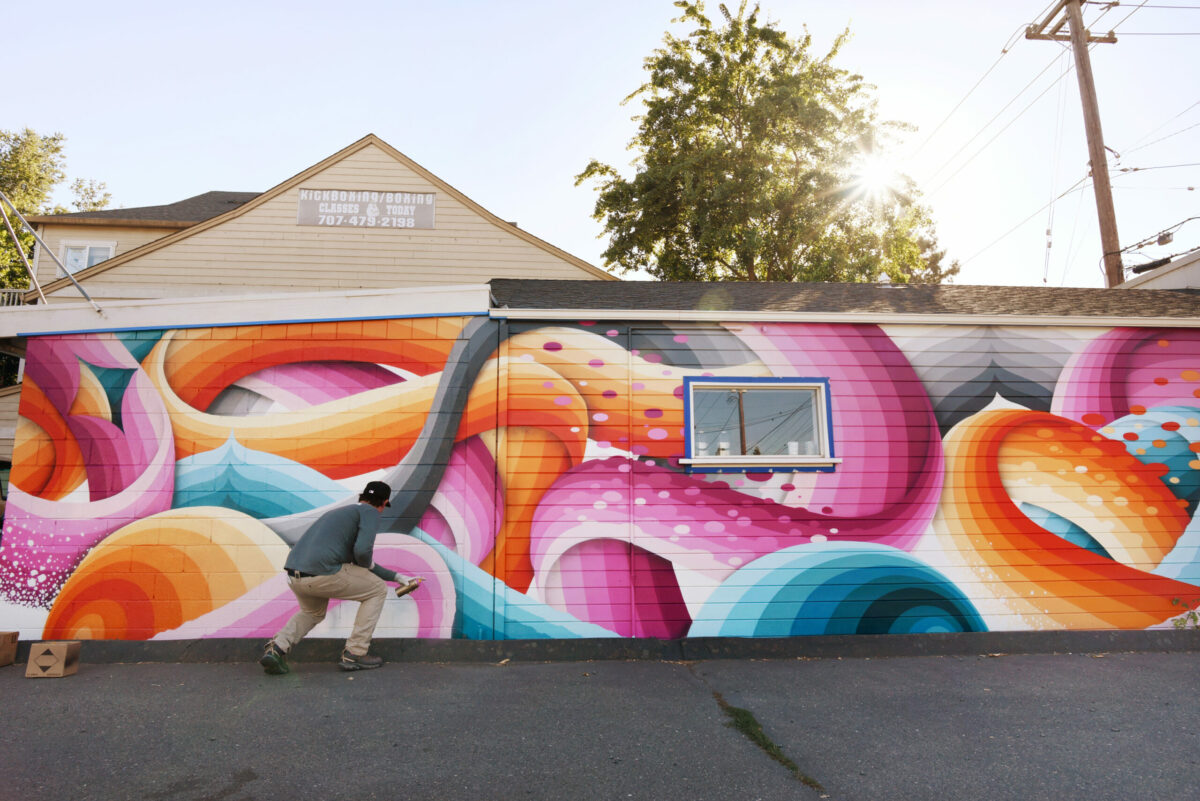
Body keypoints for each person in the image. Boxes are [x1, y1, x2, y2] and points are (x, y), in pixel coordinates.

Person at [260, 481, 422, 674]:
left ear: (362, 497)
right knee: (377, 589)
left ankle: (277, 648)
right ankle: (355, 653)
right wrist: (394, 577)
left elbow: (360, 560)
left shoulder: (339, 514)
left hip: (296, 575)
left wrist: (396, 576)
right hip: (322, 572)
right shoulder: (369, 512)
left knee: (312, 613)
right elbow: (362, 554)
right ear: (384, 503)